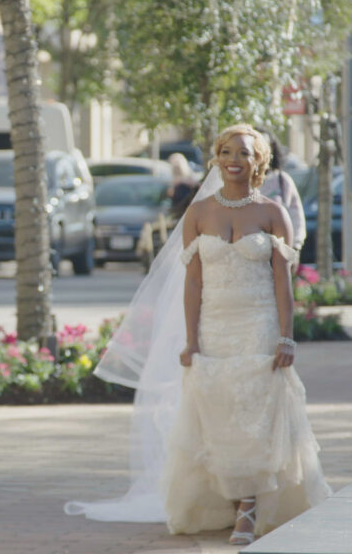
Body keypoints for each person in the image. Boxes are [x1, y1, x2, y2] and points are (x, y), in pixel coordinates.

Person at [65, 124, 330, 545]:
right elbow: (192, 282)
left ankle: (248, 507)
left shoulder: (273, 213)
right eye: (226, 152)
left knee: (257, 411)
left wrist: (286, 336)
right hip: (214, 324)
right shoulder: (199, 212)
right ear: (215, 158)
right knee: (219, 412)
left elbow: (283, 283)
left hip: (258, 323)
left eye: (243, 153)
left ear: (258, 161)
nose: (233, 160)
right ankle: (229, 499)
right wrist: (191, 339)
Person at [255, 127, 306, 261]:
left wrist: (295, 247)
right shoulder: (239, 182)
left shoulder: (282, 181)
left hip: (278, 254)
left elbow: (296, 216)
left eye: (265, 146)